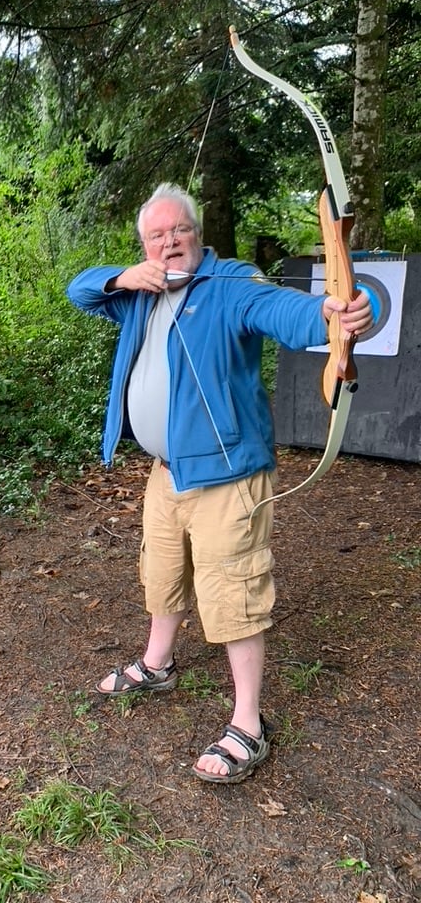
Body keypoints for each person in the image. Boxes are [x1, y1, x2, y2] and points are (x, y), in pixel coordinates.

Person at [67, 183, 373, 784]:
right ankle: (157, 664)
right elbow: (80, 289)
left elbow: (280, 311)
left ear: (197, 233)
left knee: (234, 591)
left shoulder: (230, 283)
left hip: (227, 474)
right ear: (144, 246)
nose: (168, 243)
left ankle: (248, 723)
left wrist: (336, 313)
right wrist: (125, 277)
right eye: (156, 236)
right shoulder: (138, 295)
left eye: (178, 230)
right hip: (166, 471)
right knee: (163, 573)